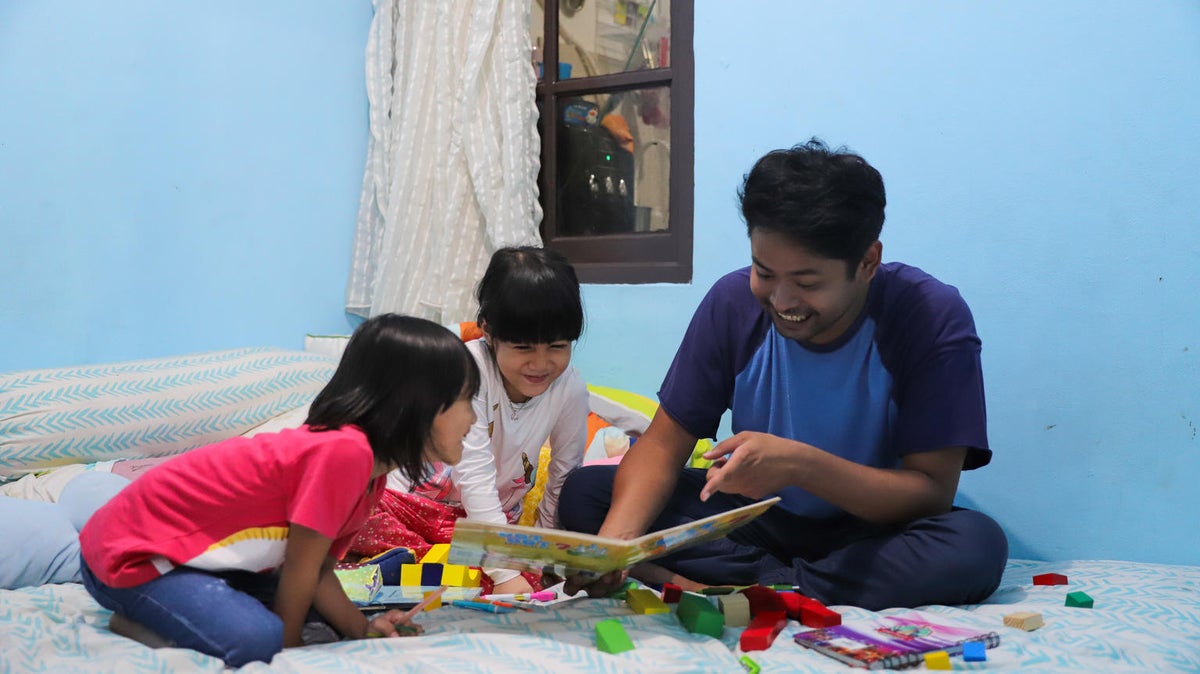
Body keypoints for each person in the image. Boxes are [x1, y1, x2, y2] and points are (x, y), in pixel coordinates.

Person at [558, 139, 1008, 610]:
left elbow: (930, 494)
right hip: (757, 518)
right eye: (764, 272)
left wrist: (800, 466)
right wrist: (615, 548)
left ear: (868, 263)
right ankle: (785, 585)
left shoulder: (929, 315)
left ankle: (766, 587)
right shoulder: (732, 304)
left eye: (808, 283)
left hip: (872, 527)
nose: (782, 301)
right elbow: (664, 445)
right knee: (590, 494)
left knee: (975, 546)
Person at [77, 314, 481, 667]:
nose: (474, 416)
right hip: (129, 555)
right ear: (418, 404)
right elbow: (299, 569)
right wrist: (285, 653)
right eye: (465, 400)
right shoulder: (344, 452)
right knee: (260, 638)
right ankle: (136, 620)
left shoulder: (371, 474)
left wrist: (363, 629)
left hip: (191, 563)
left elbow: (318, 570)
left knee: (320, 622)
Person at [351, 246, 589, 595]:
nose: (541, 364)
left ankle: (430, 569)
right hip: (414, 508)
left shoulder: (570, 388)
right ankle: (417, 565)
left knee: (522, 566)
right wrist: (506, 573)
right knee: (355, 507)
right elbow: (473, 471)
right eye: (523, 348)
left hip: (485, 530)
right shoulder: (467, 369)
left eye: (557, 346)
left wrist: (543, 561)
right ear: (488, 333)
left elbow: (563, 476)